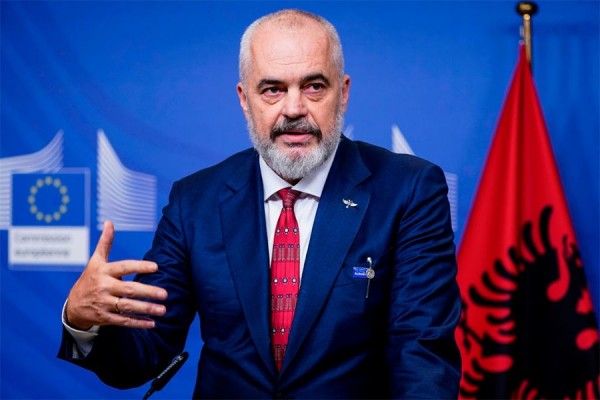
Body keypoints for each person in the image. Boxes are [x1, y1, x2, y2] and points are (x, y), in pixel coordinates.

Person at [59, 9, 462, 398]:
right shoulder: (194, 202)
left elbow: (422, 354)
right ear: (244, 98)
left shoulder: (408, 189)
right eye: (273, 89)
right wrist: (81, 319)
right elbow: (142, 356)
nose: (294, 109)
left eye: (314, 86)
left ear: (343, 93)